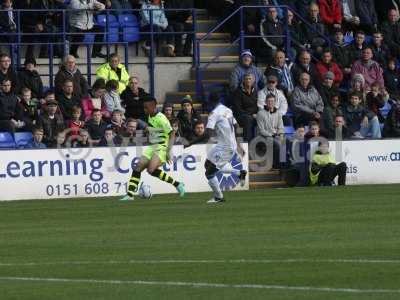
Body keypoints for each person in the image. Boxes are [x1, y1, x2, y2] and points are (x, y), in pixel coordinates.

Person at [120, 96, 185, 201]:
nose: (144, 109)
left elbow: (172, 133)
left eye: (146, 107)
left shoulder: (161, 118)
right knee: (138, 167)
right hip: (153, 146)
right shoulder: (150, 116)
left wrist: (168, 151)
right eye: (144, 107)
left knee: (151, 170)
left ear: (154, 107)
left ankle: (178, 184)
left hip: (162, 147)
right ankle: (130, 195)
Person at [186, 93, 247, 204]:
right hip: (222, 144)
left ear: (210, 103)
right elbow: (237, 126)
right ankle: (239, 173)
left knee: (209, 173)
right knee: (207, 165)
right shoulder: (227, 110)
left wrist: (190, 143)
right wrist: (239, 143)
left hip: (226, 148)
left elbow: (207, 134)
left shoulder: (214, 114)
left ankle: (218, 197)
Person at [256, 93, 285, 168]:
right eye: (268, 101)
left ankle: (285, 165)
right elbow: (261, 130)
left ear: (275, 102)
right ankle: (277, 165)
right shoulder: (260, 114)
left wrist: (281, 135)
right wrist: (273, 135)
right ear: (265, 102)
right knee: (277, 144)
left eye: (272, 101)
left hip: (275, 135)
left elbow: (281, 127)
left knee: (286, 142)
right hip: (264, 137)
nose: (270, 103)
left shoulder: (278, 113)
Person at [231, 73, 258, 142]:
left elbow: (257, 106)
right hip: (241, 116)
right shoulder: (238, 92)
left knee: (263, 117)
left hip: (254, 116)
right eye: (246, 79)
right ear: (243, 81)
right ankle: (248, 144)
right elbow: (238, 109)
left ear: (253, 80)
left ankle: (262, 144)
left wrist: (257, 114)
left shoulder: (256, 91)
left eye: (250, 79)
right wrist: (251, 114)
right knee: (248, 119)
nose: (248, 81)